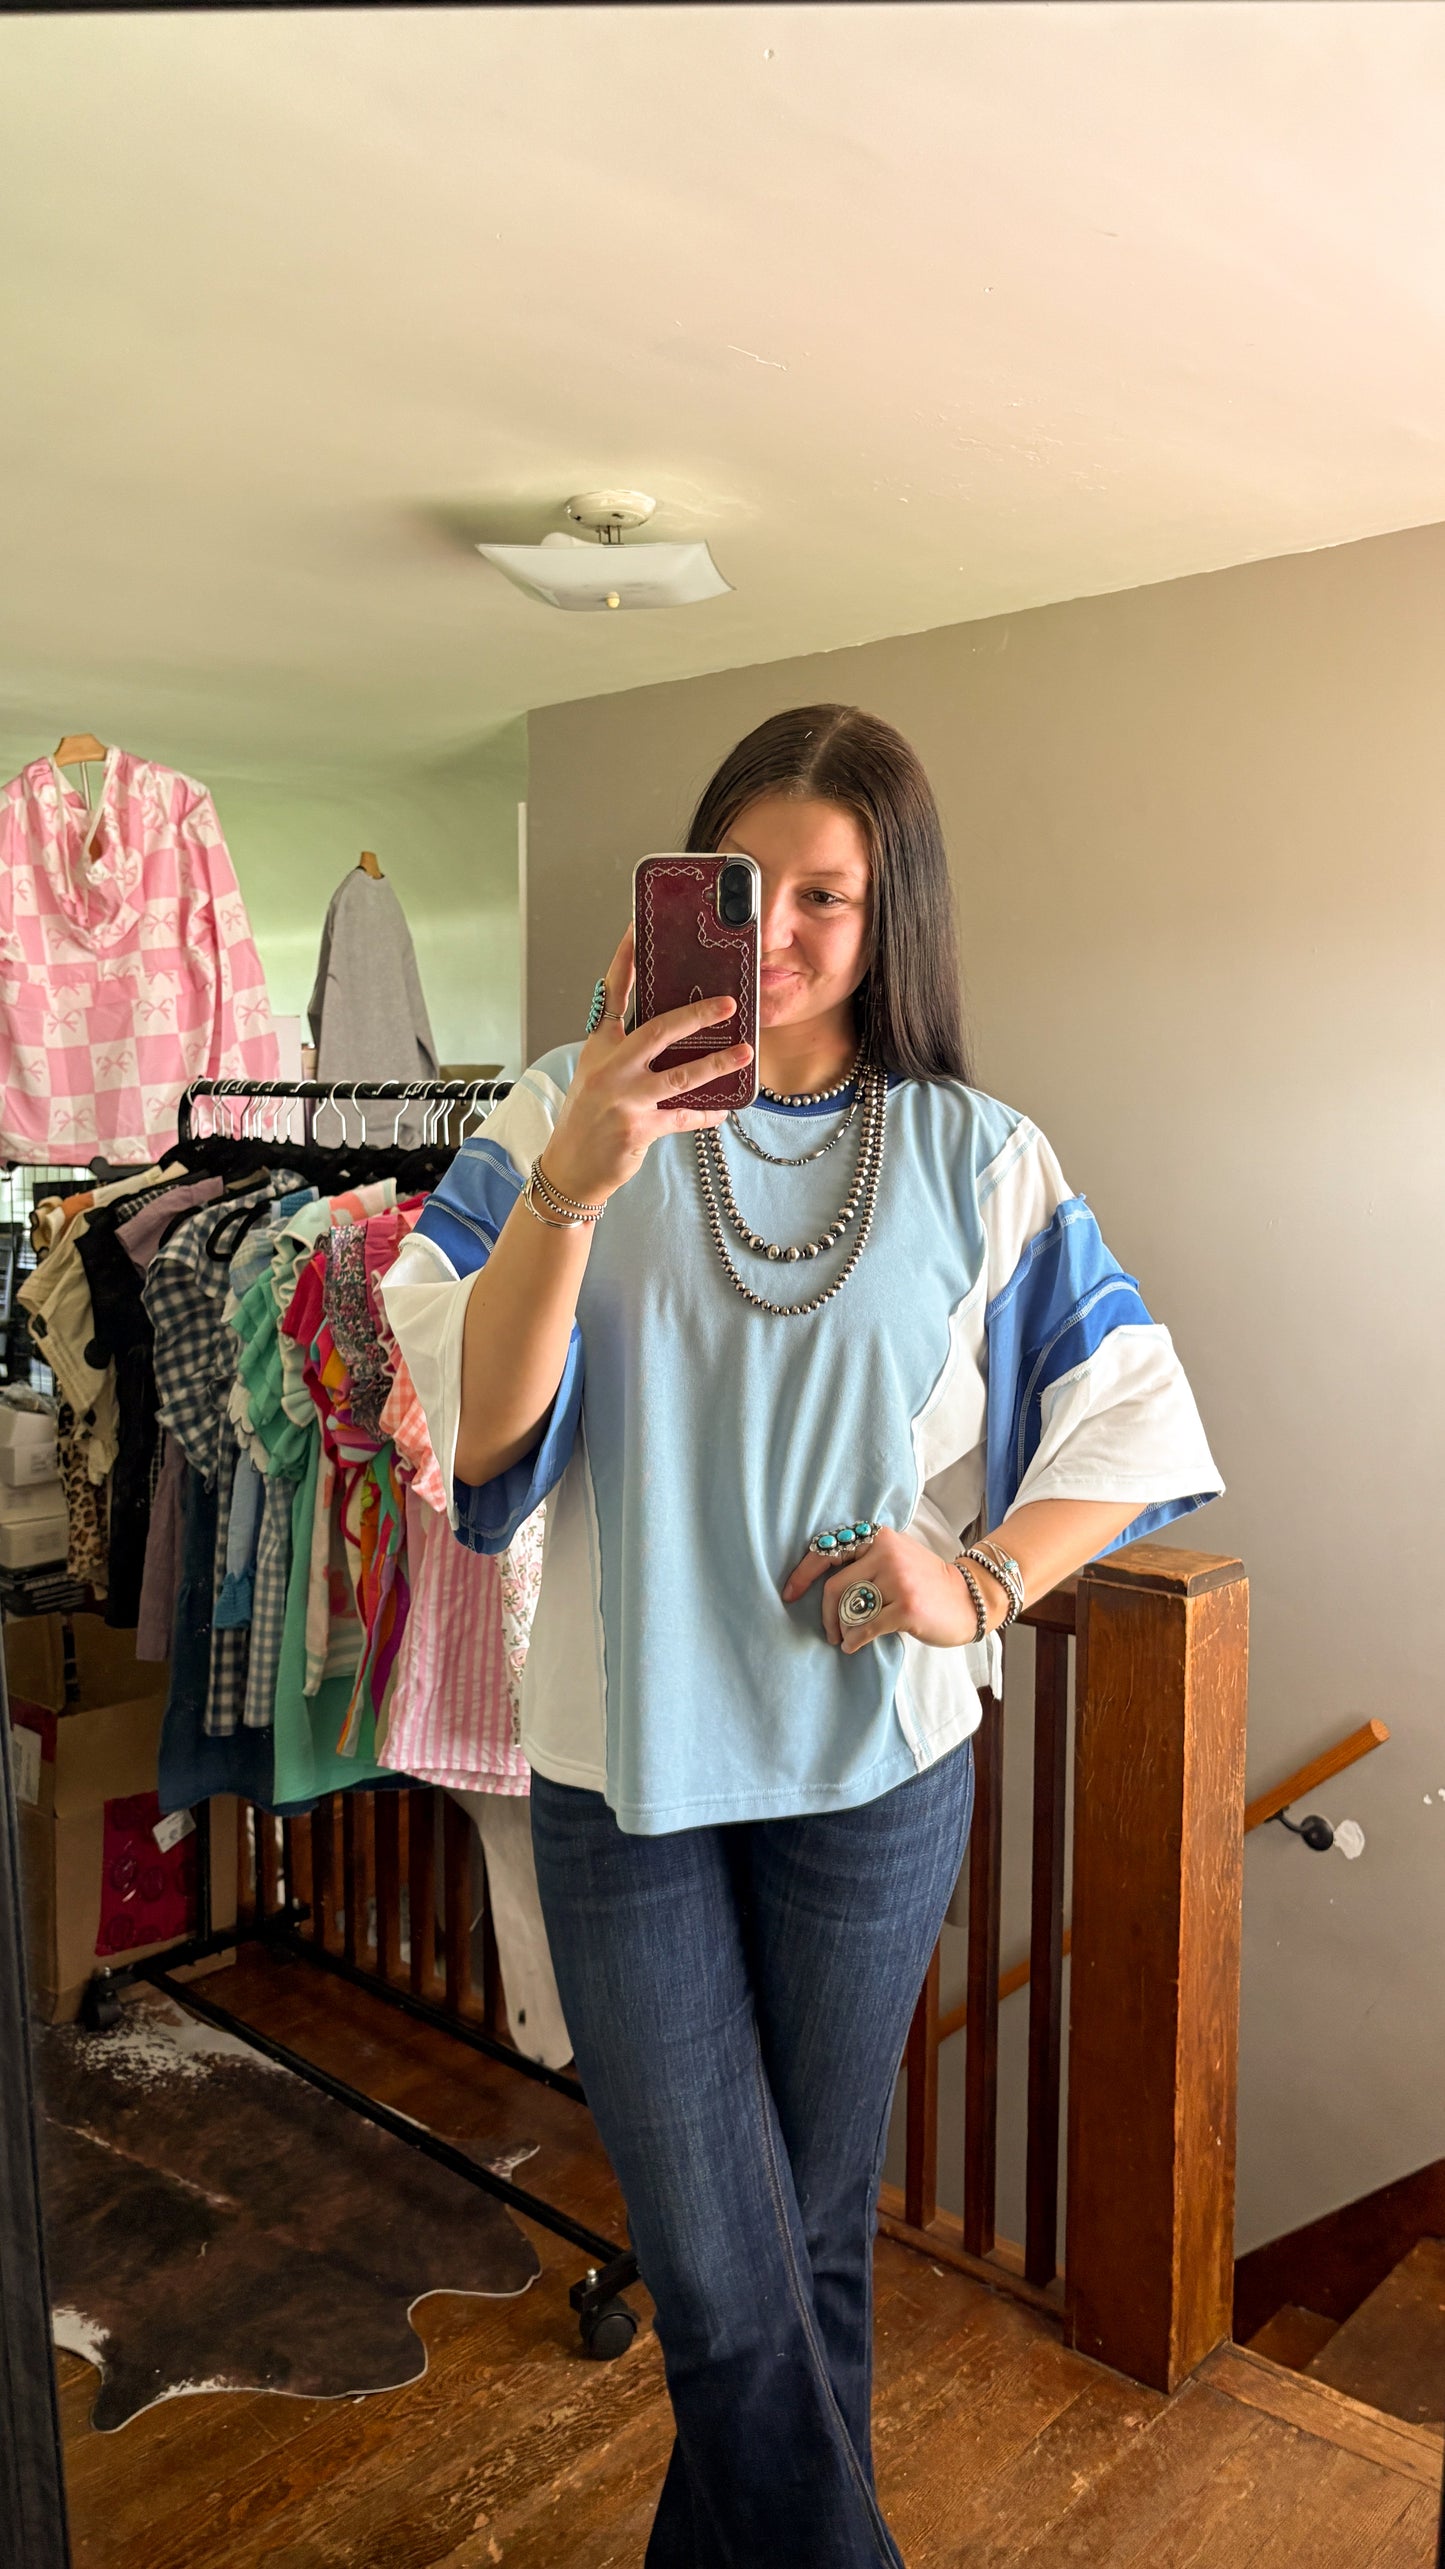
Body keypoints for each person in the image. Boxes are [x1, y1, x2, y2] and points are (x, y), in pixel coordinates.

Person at [381, 705, 1222, 2568]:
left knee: (800, 2244)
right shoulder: (553, 1108)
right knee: (721, 2274)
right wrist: (580, 1173)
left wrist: (975, 1579)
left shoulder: (974, 1150)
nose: (772, 931)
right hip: (624, 1766)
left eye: (823, 896)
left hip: (878, 1773)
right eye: (738, 884)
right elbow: (482, 1436)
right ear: (680, 885)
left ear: (889, 909)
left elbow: (1129, 1413)